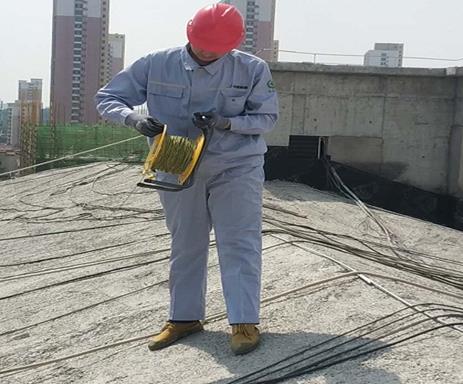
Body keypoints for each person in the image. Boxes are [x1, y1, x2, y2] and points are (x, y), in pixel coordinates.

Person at [95, 2, 279, 355]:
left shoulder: (252, 69)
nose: (207, 52)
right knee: (186, 242)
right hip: (176, 162)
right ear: (189, 33)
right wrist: (132, 119)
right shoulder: (156, 63)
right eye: (201, 44)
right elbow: (108, 98)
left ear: (232, 45)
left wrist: (227, 122)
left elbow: (267, 118)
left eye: (216, 48)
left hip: (235, 165)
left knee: (239, 241)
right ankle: (184, 317)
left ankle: (244, 321)